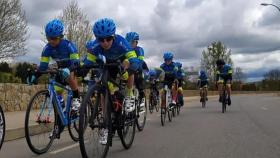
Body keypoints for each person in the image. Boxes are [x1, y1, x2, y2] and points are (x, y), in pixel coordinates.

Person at [83, 18, 140, 144]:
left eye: (108, 39)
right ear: (97, 38)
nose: (105, 42)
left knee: (129, 68)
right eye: (101, 39)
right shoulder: (95, 46)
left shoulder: (121, 42)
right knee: (104, 92)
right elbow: (88, 62)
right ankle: (106, 124)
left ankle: (129, 95)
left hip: (122, 62)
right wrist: (79, 69)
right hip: (107, 66)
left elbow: (135, 61)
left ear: (113, 36)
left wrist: (130, 69)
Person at [34, 19, 80, 138]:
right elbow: (43, 66)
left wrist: (69, 69)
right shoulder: (47, 48)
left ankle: (76, 100)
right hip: (59, 69)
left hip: (71, 66)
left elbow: (76, 61)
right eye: (49, 38)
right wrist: (36, 75)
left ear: (60, 36)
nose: (51, 41)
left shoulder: (68, 45)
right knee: (56, 94)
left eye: (54, 38)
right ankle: (60, 121)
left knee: (70, 77)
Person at [125, 32, 148, 107]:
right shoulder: (126, 49)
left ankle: (141, 97)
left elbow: (140, 62)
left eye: (132, 42)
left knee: (139, 80)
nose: (130, 44)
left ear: (136, 42)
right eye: (128, 42)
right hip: (128, 69)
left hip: (138, 69)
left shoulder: (139, 50)